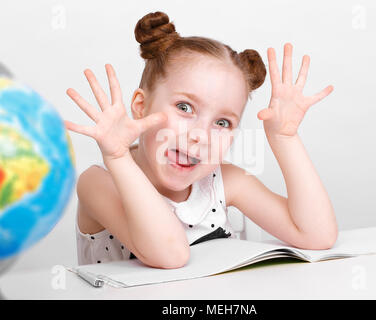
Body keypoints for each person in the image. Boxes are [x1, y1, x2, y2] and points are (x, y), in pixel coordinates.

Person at [65, 11, 338, 269]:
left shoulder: (225, 181)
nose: (200, 135)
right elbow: (170, 254)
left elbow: (317, 235)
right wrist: (118, 158)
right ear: (141, 105)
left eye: (222, 123)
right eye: (184, 107)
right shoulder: (98, 183)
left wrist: (284, 138)